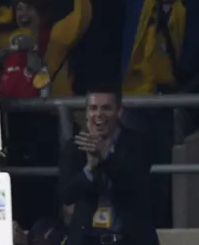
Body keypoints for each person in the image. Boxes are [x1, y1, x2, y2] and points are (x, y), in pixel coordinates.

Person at [59, 84, 158, 245]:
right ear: (86, 114)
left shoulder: (138, 143)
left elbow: (135, 185)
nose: (98, 114)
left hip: (128, 239)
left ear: (119, 112)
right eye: (93, 108)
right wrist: (89, 169)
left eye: (106, 108)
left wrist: (105, 156)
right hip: (87, 240)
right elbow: (66, 194)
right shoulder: (75, 147)